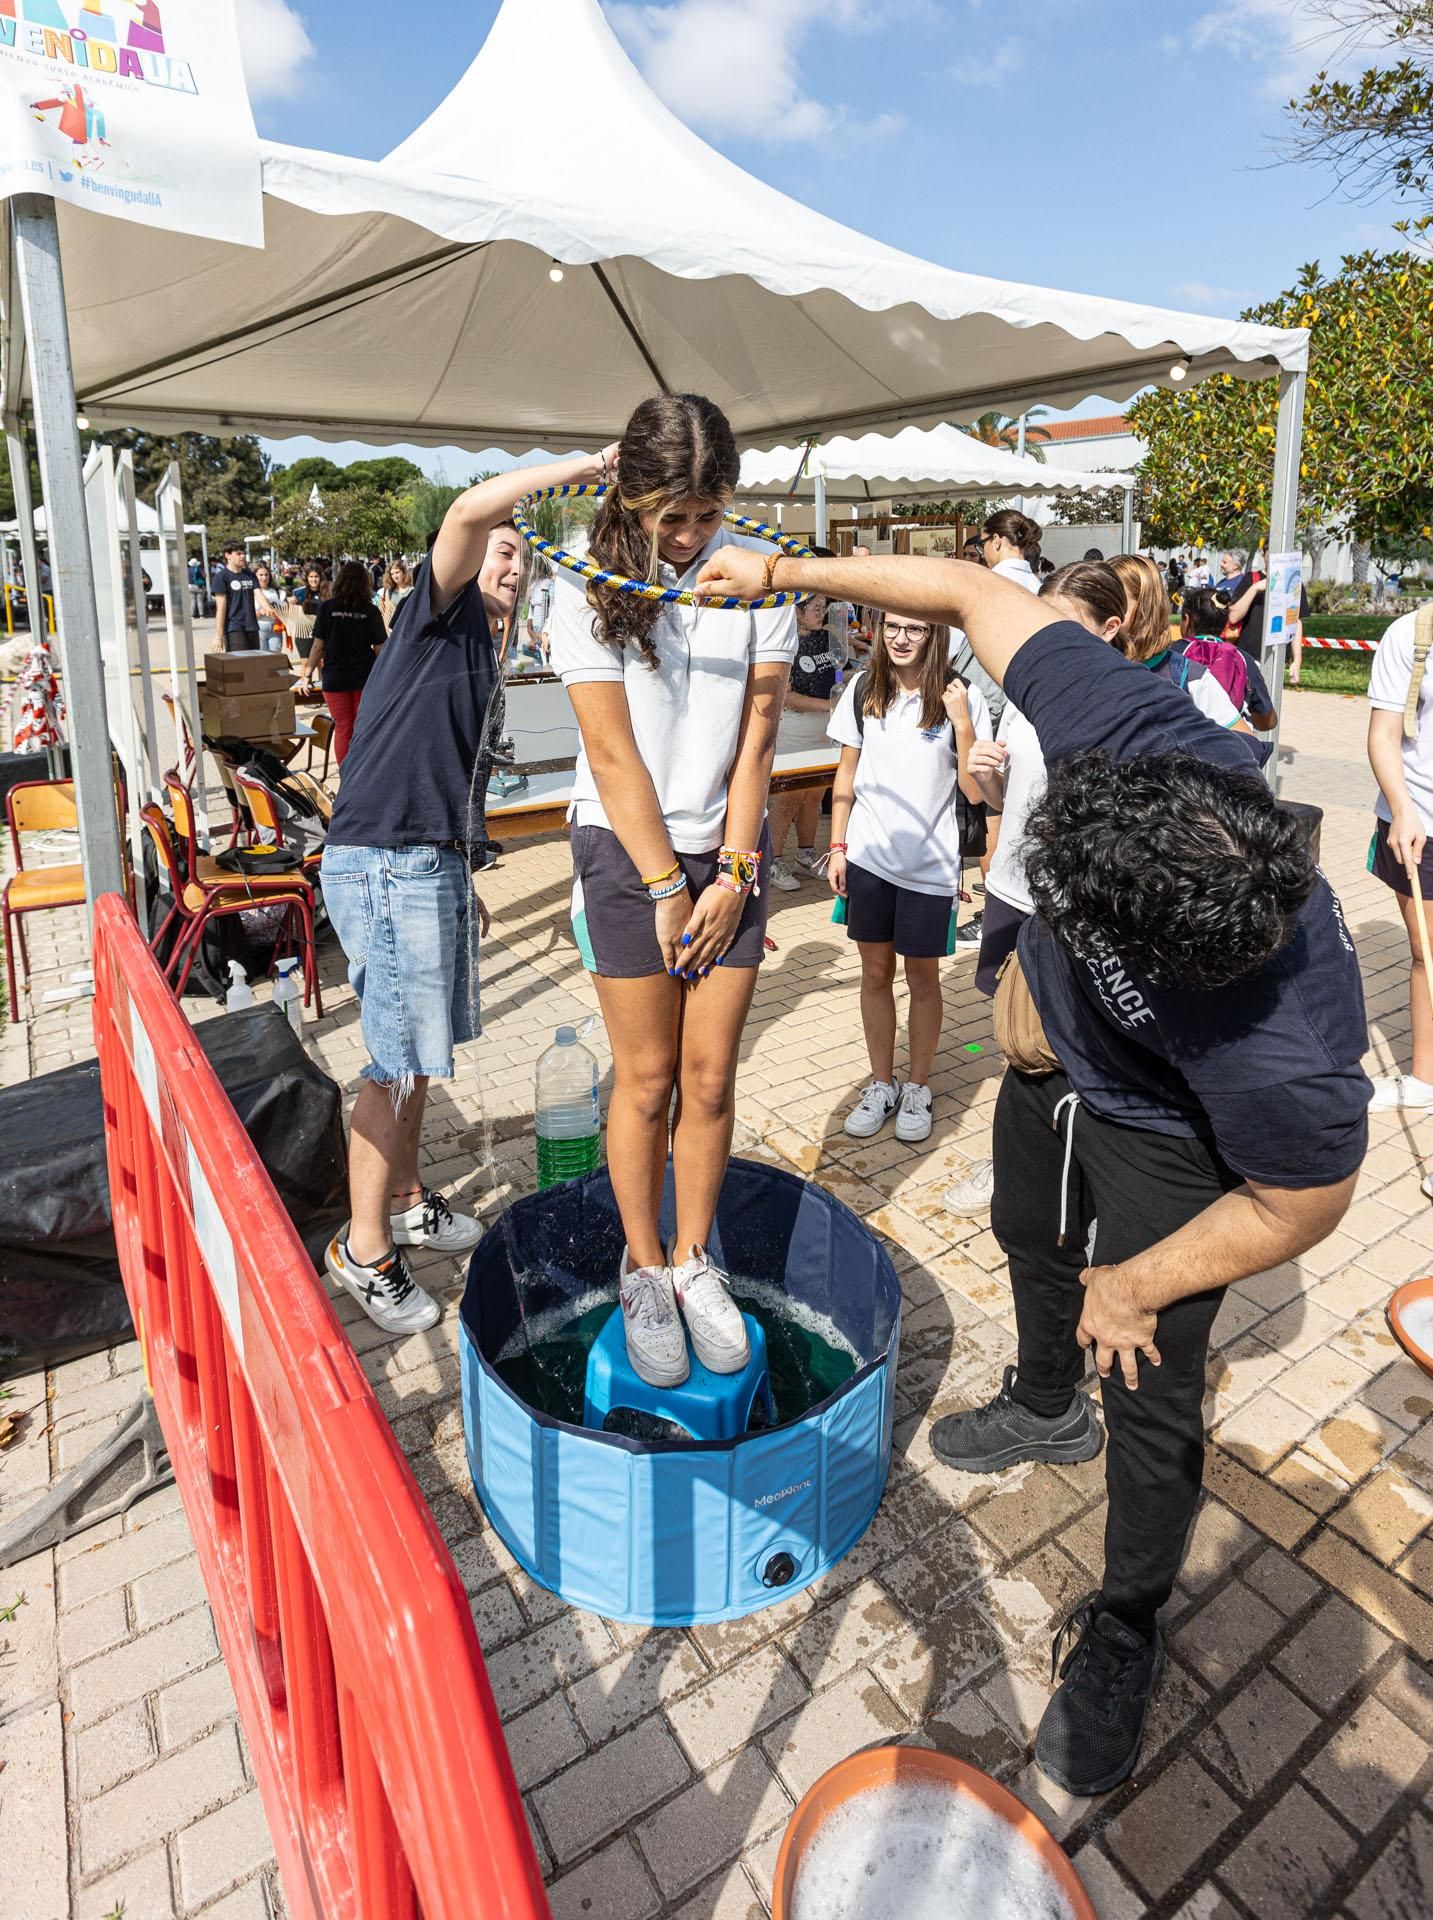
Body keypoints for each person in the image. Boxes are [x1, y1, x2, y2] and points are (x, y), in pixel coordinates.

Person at [694, 537, 1367, 1799]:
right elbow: (963, 587)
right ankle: (1042, 1400)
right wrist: (784, 567)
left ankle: (1124, 1620)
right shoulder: (1121, 715)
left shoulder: (1281, 1047)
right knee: (1024, 1226)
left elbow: (1306, 1198)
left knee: (1151, 1379)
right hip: (1057, 1067)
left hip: (1182, 1140)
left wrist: (1146, 1275)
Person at [319, 452, 605, 1335]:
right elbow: (471, 511)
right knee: (391, 1059)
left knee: (420, 1056)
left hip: (426, 860)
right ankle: (363, 1249)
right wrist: (591, 465)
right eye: (501, 551)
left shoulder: (485, 652)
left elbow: (455, 770)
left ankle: (404, 1199)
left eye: (524, 558)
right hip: (384, 858)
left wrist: (463, 864)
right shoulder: (433, 617)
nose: (512, 566)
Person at [548, 392, 796, 1390]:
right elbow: (609, 752)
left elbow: (759, 740)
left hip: (726, 854)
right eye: (670, 515)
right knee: (645, 1082)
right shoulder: (581, 574)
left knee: (711, 1078)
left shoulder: (758, 575)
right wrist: (662, 883)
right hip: (622, 847)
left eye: (704, 512)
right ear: (630, 494)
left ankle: (695, 1262)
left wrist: (734, 873)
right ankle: (640, 1267)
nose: (690, 536)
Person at [943, 560, 1128, 1219]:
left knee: (1071, 1043)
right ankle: (1020, 1161)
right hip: (1011, 891)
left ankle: (1082, 1169)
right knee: (1013, 1036)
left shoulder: (1122, 705)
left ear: (1111, 629)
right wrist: (987, 774)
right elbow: (999, 803)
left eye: (1066, 626)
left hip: (1073, 909)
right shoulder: (1023, 692)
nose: (1048, 639)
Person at [828, 608, 990, 1145]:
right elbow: (846, 774)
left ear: (934, 634)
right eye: (892, 626)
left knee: (922, 979)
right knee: (874, 976)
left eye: (915, 628)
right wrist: (837, 845)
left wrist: (962, 721)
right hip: (869, 859)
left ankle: (918, 1085)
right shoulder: (862, 689)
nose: (901, 638)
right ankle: (881, 1083)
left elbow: (974, 791)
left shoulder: (959, 696)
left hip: (929, 867)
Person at [1367, 607, 1433, 1112]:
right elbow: (1384, 735)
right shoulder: (1411, 634)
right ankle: (1424, 1081)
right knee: (1426, 953)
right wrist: (1404, 810)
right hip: (1419, 819)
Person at [767, 549, 843, 891]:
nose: (821, 612)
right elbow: (786, 696)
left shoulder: (825, 637)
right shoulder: (784, 643)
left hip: (824, 729)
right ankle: (773, 861)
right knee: (787, 800)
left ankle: (806, 854)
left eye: (823, 606)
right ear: (797, 610)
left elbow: (836, 672)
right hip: (795, 731)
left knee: (814, 796)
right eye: (815, 607)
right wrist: (827, 704)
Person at [296, 561, 387, 764]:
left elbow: (318, 647)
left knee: (343, 726)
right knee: (362, 725)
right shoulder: (371, 611)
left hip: (335, 677)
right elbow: (380, 649)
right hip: (365, 677)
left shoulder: (328, 608)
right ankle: (362, 771)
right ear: (364, 583)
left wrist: (307, 676)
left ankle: (346, 774)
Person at [213, 541, 260, 653]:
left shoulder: (250, 575)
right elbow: (221, 608)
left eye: (243, 553)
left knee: (255, 664)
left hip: (252, 627)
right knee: (239, 665)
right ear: (228, 555)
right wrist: (218, 636)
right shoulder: (221, 577)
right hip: (234, 628)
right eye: (238, 554)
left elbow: (259, 594)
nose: (242, 556)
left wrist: (270, 609)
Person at [252, 562, 286, 652]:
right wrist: (260, 612)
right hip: (258, 629)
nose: (264, 578)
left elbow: (285, 610)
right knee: (261, 659)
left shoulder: (278, 592)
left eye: (266, 575)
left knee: (275, 658)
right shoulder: (250, 592)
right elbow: (246, 615)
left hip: (275, 629)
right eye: (261, 575)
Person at [379, 559, 415, 631]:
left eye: (397, 572)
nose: (394, 576)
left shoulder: (412, 590)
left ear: (404, 572)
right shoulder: (387, 591)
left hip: (406, 629)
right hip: (391, 631)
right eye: (392, 574)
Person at [187, 553, 206, 619]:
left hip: (190, 586)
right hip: (199, 586)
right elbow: (204, 575)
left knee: (192, 601)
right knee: (200, 601)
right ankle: (201, 615)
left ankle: (192, 615)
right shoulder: (199, 569)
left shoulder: (188, 570)